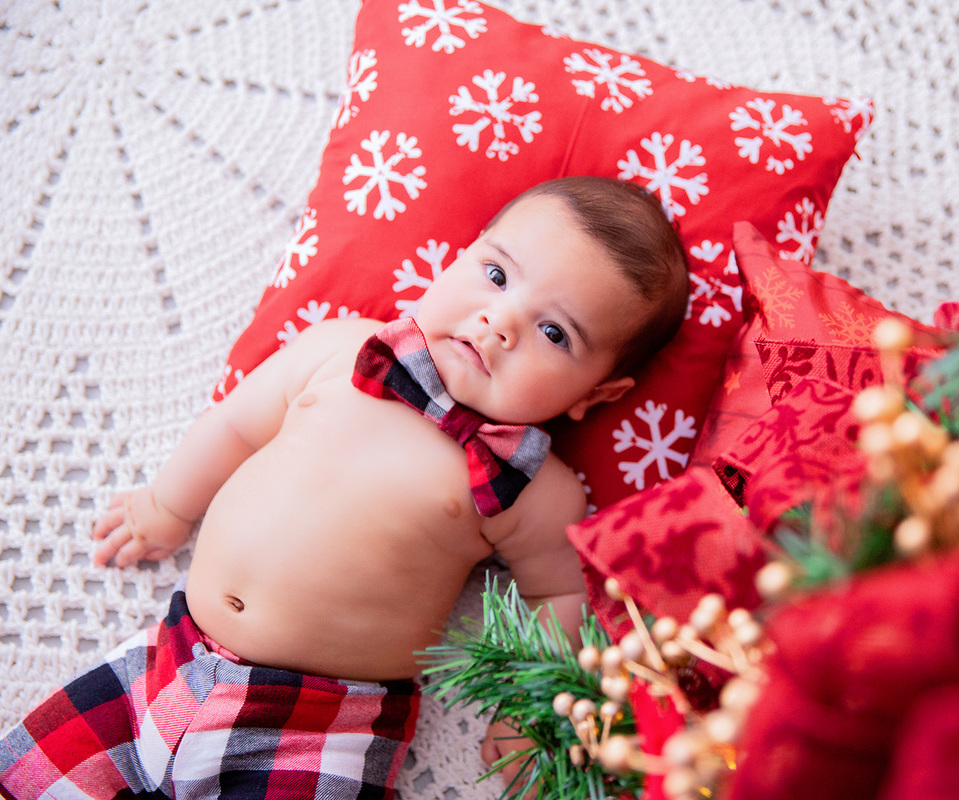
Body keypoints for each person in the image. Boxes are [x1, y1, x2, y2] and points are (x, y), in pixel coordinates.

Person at [0, 176, 689, 799]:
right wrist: (168, 505)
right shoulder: (344, 350)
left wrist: (525, 714)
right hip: (169, 657)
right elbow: (238, 425)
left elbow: (559, 599)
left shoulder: (533, 489)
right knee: (34, 773)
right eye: (495, 274)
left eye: (552, 332)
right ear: (460, 254)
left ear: (597, 395)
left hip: (320, 727)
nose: (499, 322)